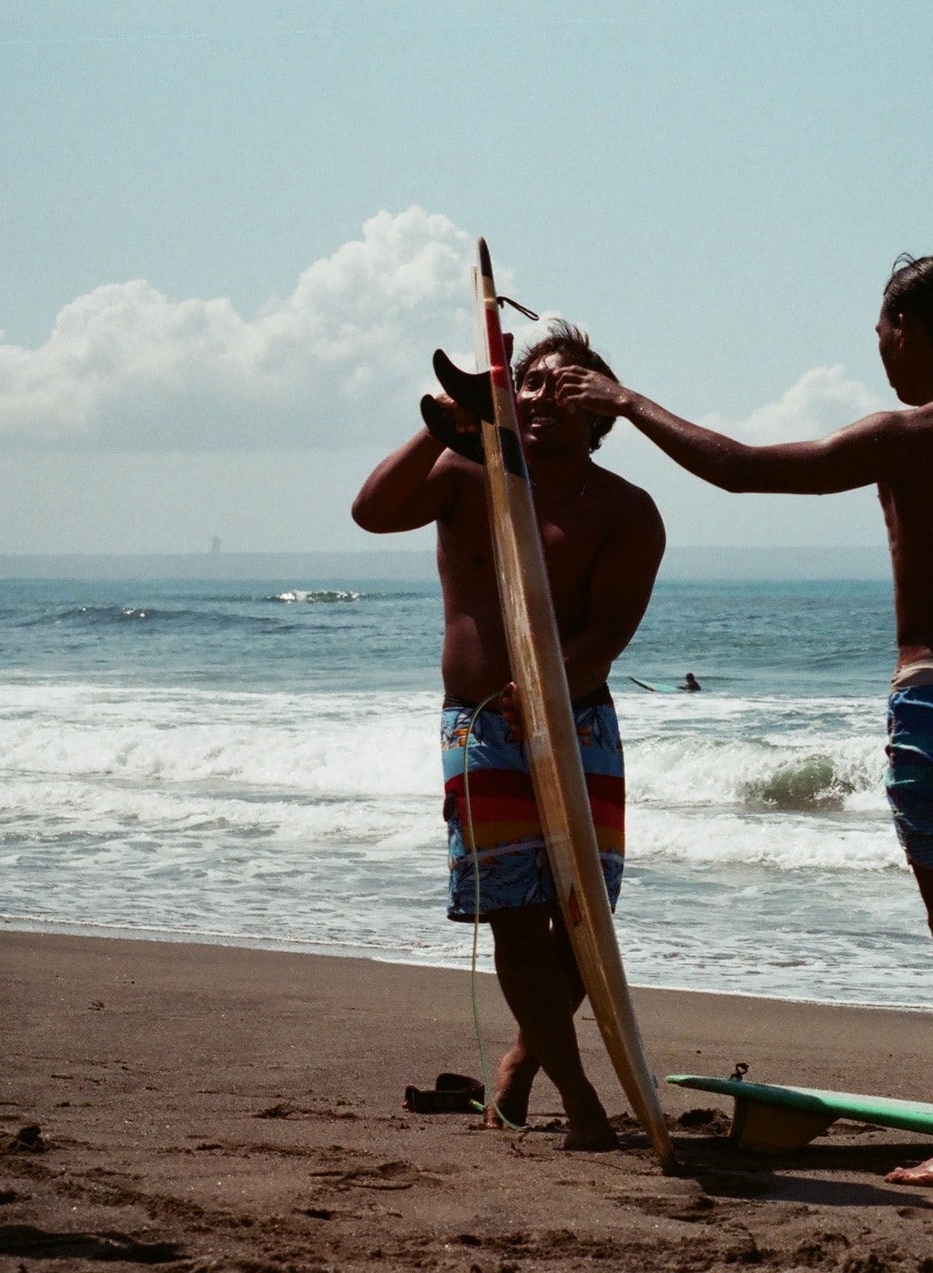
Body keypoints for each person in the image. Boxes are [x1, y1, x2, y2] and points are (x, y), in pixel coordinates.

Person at [558, 254, 933, 1193]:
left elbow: (742, 471)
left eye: (880, 332)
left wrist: (626, 401)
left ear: (909, 330)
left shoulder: (906, 436)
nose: (876, 349)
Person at [350, 320, 666, 1151]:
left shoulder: (627, 510)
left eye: (562, 387)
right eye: (526, 383)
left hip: (577, 720)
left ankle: (521, 1064)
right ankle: (583, 1101)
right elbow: (371, 512)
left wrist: (555, 684)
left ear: (600, 414)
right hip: (481, 725)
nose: (536, 396)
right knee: (518, 915)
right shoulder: (465, 471)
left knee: (585, 913)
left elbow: (609, 630)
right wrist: (449, 416)